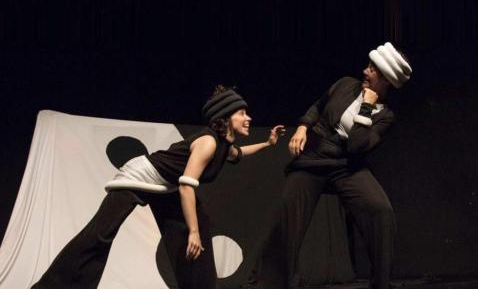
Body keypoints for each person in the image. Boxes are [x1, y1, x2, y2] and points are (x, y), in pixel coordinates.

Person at [31, 85, 285, 289]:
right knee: (100, 233)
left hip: (165, 186)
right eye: (242, 113)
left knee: (197, 227)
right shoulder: (208, 143)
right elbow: (186, 187)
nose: (248, 118)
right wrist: (193, 231)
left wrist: (268, 144)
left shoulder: (224, 146)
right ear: (226, 117)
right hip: (139, 176)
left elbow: (239, 153)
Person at [280, 42, 411, 289]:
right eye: (368, 66)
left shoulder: (385, 116)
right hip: (314, 156)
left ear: (385, 80)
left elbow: (357, 145)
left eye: (372, 69)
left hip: (346, 165)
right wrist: (302, 127)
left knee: (381, 211)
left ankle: (381, 283)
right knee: (288, 215)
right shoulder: (346, 84)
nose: (365, 71)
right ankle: (276, 282)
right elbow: (318, 106)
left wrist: (367, 106)